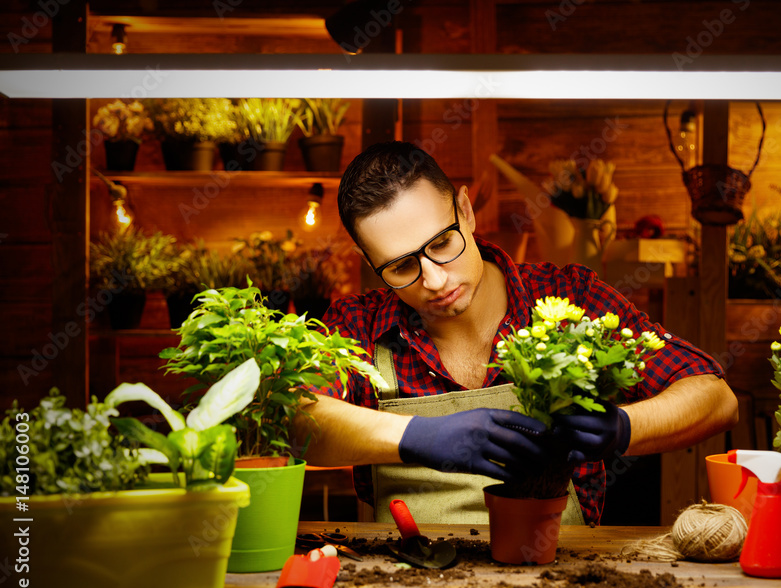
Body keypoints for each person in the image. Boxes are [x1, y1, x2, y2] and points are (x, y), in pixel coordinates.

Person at [292, 141, 738, 525]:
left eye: (442, 244)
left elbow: (715, 398)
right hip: (409, 583)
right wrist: (417, 438)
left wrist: (622, 428)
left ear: (465, 211)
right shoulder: (357, 327)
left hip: (561, 581)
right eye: (402, 266)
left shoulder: (571, 298)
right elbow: (293, 418)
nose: (434, 280)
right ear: (370, 263)